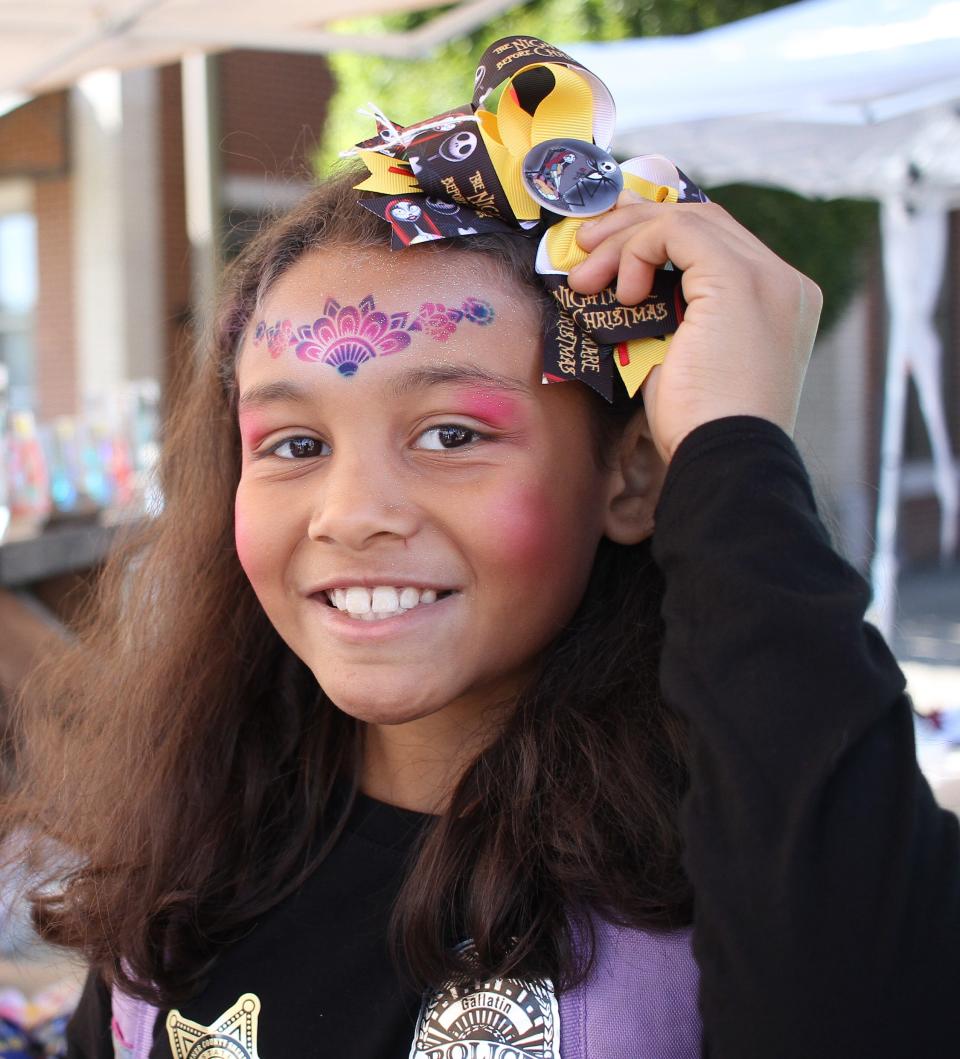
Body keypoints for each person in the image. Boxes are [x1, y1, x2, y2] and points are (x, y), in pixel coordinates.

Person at [6, 37, 960, 1059]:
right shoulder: (181, 884)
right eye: (294, 444)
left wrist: (732, 448)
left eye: (452, 435)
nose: (350, 512)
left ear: (630, 478)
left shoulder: (744, 892)